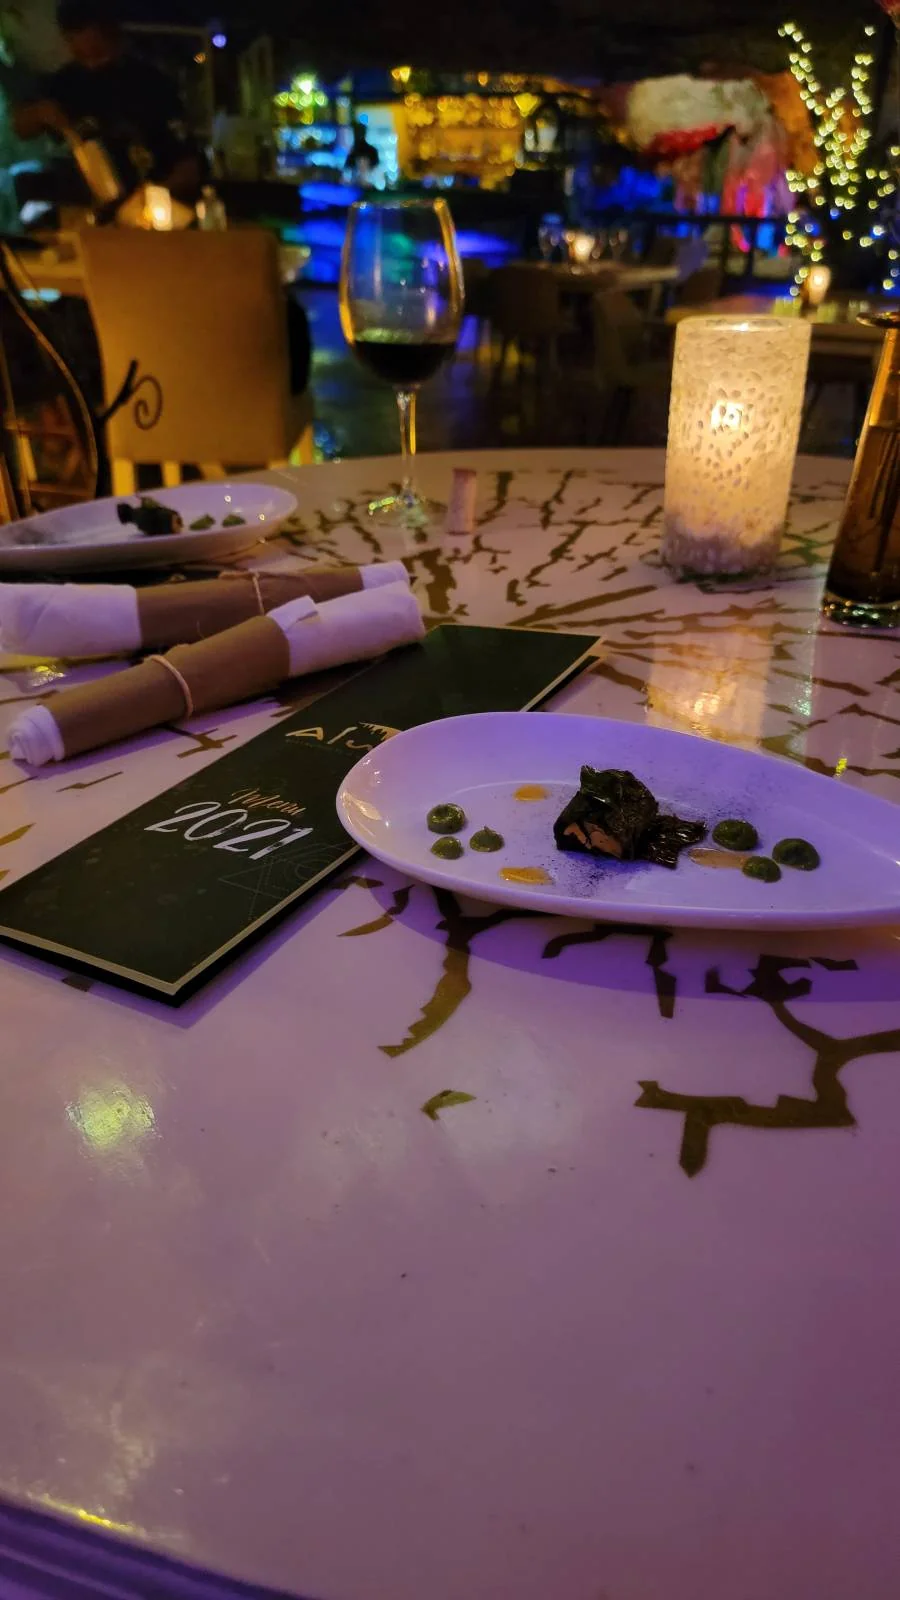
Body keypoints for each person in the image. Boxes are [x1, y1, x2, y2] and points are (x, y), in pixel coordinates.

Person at [13, 0, 204, 204]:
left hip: (144, 210)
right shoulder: (66, 82)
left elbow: (189, 166)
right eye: (81, 55)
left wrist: (153, 197)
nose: (91, 64)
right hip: (82, 210)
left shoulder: (154, 85)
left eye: (98, 54)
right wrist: (38, 113)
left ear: (117, 41)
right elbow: (21, 128)